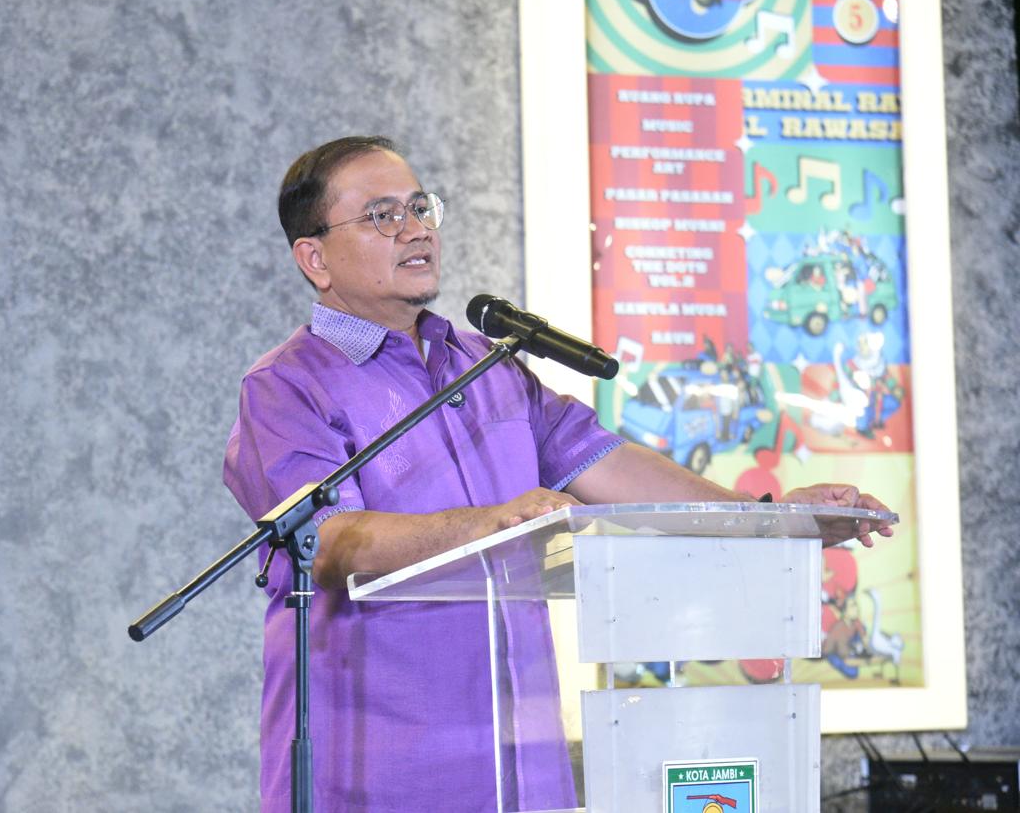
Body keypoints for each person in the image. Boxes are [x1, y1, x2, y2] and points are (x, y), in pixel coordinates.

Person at [223, 136, 891, 812]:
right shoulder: (286, 387)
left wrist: (774, 521)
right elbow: (327, 542)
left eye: (420, 208)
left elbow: (610, 465)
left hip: (521, 768)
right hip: (381, 773)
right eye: (383, 215)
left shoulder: (487, 365)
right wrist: (488, 525)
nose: (417, 229)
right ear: (315, 258)